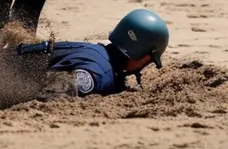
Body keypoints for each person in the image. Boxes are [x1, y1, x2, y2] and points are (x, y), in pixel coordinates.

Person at [16, 8, 170, 96]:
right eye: (150, 59)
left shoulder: (95, 51)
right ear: (141, 54)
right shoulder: (100, 73)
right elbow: (51, 94)